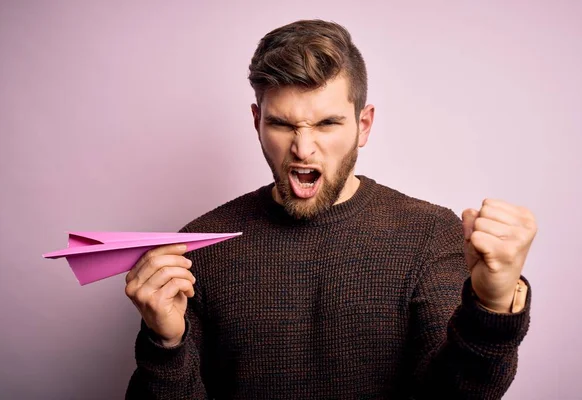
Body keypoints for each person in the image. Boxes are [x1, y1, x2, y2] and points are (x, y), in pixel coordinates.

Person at [124, 19, 536, 399]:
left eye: (326, 124)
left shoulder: (428, 234)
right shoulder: (201, 245)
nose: (303, 149)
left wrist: (493, 306)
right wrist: (165, 344)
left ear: (364, 125)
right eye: (282, 124)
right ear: (257, 122)